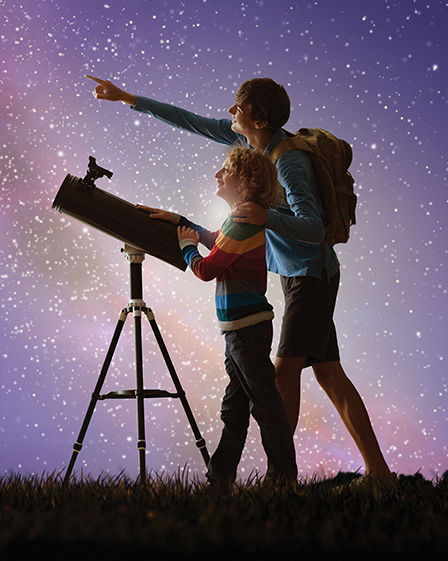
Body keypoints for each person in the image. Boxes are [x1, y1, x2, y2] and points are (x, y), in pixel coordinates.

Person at [87, 74, 393, 482]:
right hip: (298, 274)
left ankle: (279, 479)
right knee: (329, 373)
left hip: (312, 276)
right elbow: (190, 121)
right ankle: (379, 474)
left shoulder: (287, 161)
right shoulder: (250, 145)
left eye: (239, 107)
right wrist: (129, 99)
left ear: (260, 118)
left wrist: (267, 216)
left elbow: (314, 226)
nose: (230, 112)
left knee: (282, 374)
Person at [142, 146, 297, 485]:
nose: (218, 175)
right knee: (235, 409)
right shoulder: (239, 219)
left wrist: (186, 248)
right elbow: (216, 240)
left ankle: (283, 480)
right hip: (239, 330)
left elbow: (208, 267)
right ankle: (220, 479)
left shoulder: (243, 220)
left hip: (246, 331)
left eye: (226, 170)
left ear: (245, 181)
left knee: (265, 406)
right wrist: (178, 220)